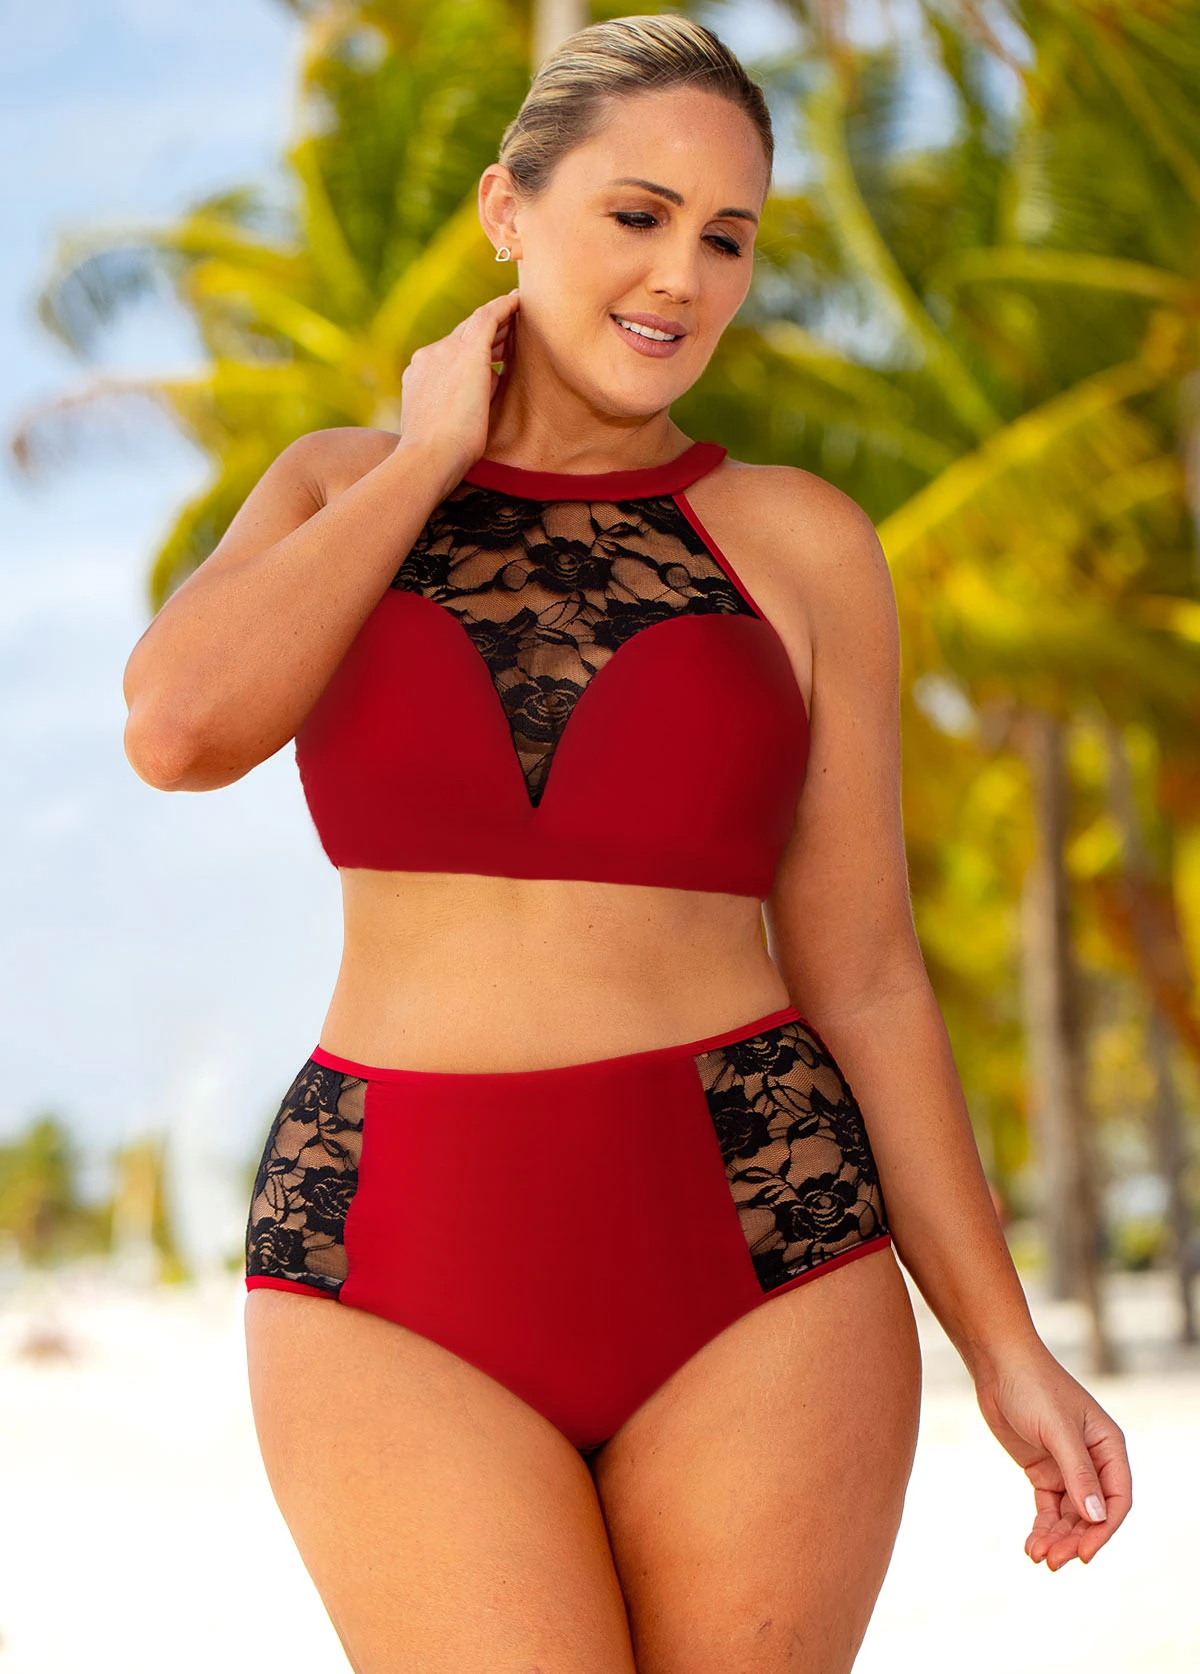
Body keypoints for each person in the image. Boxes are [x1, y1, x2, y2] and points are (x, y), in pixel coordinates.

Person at [122, 15, 1132, 1673]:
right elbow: (177, 729)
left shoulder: (801, 540)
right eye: (638, 215)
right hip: (391, 1245)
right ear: (506, 209)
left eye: (729, 236)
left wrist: (1004, 1345)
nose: (683, 276)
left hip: (762, 1239)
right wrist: (428, 457)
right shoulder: (333, 491)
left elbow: (870, 977)